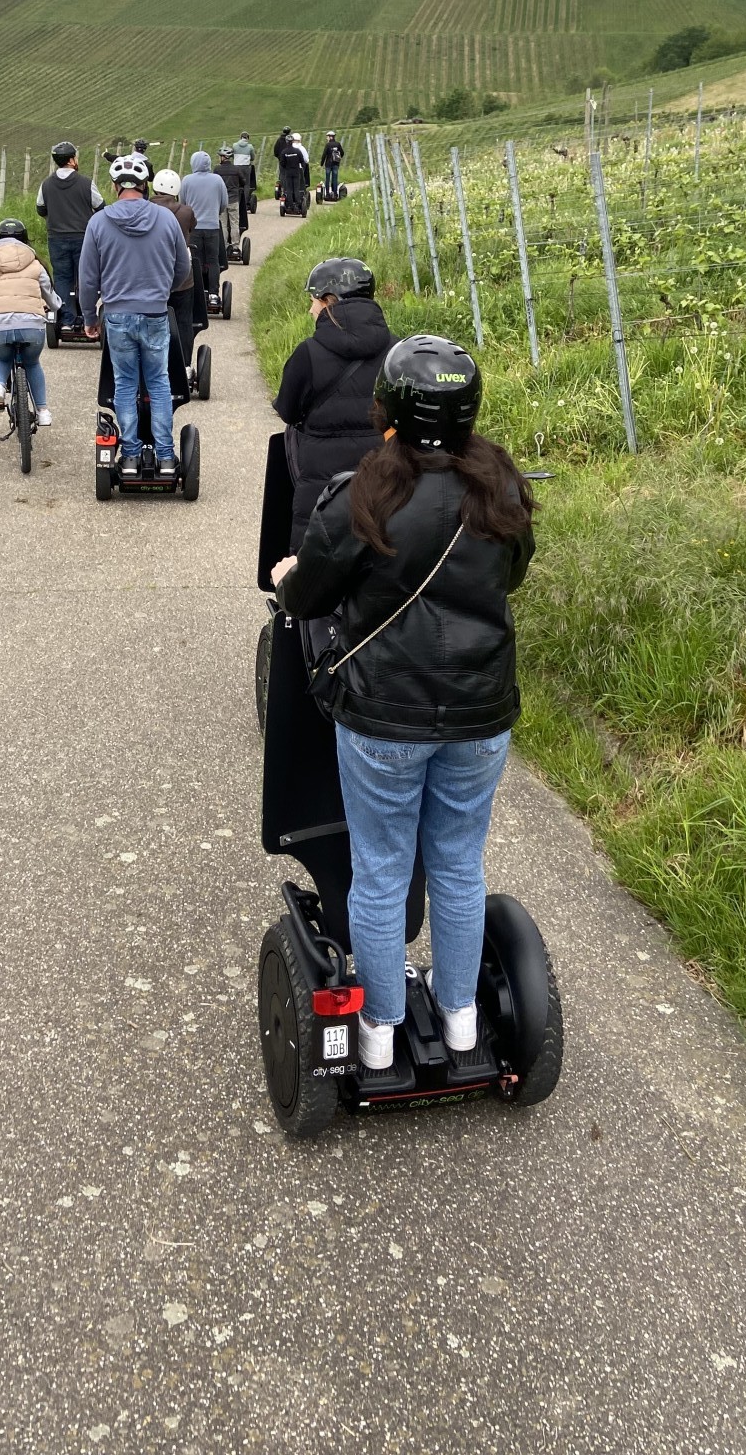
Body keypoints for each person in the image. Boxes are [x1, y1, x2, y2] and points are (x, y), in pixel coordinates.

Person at [271, 337, 535, 1072]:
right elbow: (510, 576)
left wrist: (288, 576)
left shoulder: (365, 494)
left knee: (382, 869)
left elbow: (309, 595)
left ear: (387, 410)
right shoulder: (503, 490)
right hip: (480, 714)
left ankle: (380, 1030)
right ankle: (460, 1020)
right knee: (458, 865)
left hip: (384, 717)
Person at [79, 154, 191, 476]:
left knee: (125, 384)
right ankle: (166, 457)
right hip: (155, 313)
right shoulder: (166, 219)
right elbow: (182, 267)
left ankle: (129, 456)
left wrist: (89, 318)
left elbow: (87, 278)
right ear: (144, 185)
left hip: (117, 316)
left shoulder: (99, 222)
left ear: (115, 186)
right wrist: (162, 291)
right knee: (159, 382)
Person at [273, 257, 394, 549]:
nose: (310, 310)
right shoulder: (398, 351)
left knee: (313, 561)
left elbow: (288, 411)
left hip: (321, 489)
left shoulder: (309, 352)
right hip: (382, 481)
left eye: (313, 301)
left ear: (329, 301)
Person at [0, 219, 58, 423]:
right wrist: (57, 305)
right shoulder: (35, 262)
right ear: (25, 239)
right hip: (31, 326)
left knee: (2, 359)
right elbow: (49, 295)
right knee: (32, 363)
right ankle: (43, 412)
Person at [34, 140, 102, 331]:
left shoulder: (46, 184)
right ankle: (86, 316)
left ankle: (67, 320)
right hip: (83, 237)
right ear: (72, 160)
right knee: (85, 276)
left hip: (56, 237)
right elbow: (100, 206)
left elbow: (40, 209)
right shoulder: (86, 183)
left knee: (62, 277)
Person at [151, 169, 200, 368]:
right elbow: (192, 227)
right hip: (182, 277)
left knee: (152, 320)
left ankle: (154, 363)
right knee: (184, 321)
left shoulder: (145, 209)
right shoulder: (186, 212)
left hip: (153, 277)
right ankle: (185, 365)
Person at [180, 149, 230, 300]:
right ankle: (213, 294)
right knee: (213, 261)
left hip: (194, 228)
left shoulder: (187, 180)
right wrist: (215, 213)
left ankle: (198, 293)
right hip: (212, 227)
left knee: (196, 261)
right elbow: (224, 203)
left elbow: (183, 203)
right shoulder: (217, 180)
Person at [217, 144, 251, 251]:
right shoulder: (236, 169)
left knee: (223, 224)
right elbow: (243, 182)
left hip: (222, 201)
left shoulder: (217, 170)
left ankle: (224, 245)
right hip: (234, 200)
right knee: (234, 223)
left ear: (223, 157)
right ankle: (235, 246)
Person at [279, 132, 310, 212]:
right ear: (292, 141)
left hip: (288, 172)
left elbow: (282, 163)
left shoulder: (284, 152)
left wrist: (286, 167)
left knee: (289, 188)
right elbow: (303, 161)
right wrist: (301, 168)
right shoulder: (297, 151)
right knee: (296, 188)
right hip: (296, 171)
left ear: (286, 142)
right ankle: (297, 204)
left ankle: (290, 205)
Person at [232, 132, 256, 235]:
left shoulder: (234, 145)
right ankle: (245, 203)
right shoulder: (250, 147)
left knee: (237, 184)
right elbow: (253, 157)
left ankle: (236, 200)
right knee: (246, 185)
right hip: (246, 167)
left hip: (236, 167)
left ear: (240, 137)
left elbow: (232, 155)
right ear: (247, 138)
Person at [320, 131, 344, 198]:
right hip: (336, 164)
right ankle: (335, 194)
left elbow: (324, 155)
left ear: (330, 137)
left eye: (327, 137)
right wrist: (338, 158)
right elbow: (342, 153)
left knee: (327, 179)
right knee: (335, 179)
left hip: (328, 164)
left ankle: (327, 194)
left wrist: (321, 164)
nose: (326, 138)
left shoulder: (328, 145)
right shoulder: (338, 144)